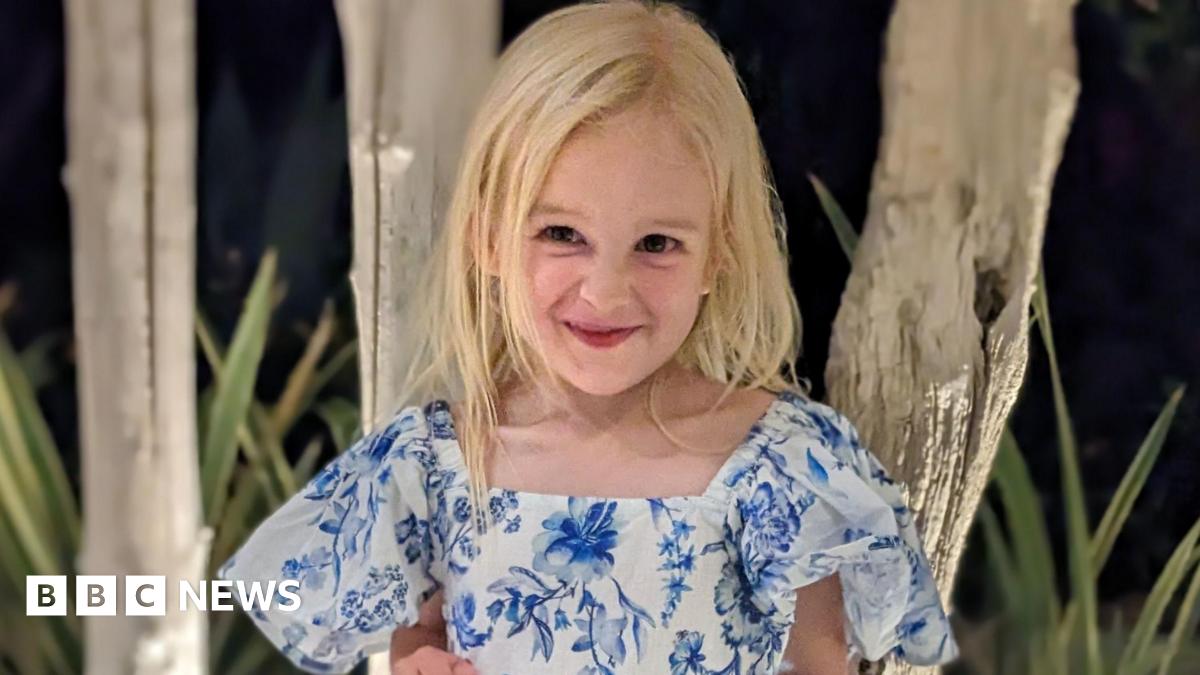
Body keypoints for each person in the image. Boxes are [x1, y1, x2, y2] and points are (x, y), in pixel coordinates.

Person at [217, 1, 959, 673]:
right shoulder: (438, 464)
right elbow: (418, 636)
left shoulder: (785, 466)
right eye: (562, 233)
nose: (605, 291)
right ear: (486, 237)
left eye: (658, 243)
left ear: (720, 252)